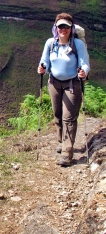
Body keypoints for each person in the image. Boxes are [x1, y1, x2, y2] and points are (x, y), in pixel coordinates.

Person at [38, 12, 90, 167]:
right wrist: (42, 67)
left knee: (69, 118)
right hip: (54, 83)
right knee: (58, 115)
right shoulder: (50, 43)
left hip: (72, 84)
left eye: (66, 27)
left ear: (71, 28)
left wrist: (84, 72)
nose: (63, 29)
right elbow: (44, 60)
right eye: (60, 26)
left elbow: (85, 63)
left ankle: (67, 152)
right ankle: (61, 141)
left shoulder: (77, 45)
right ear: (56, 27)